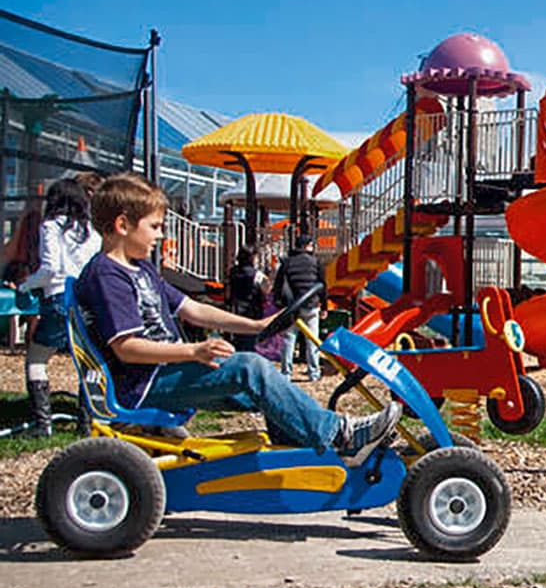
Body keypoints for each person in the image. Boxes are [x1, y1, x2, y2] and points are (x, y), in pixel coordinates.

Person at [74, 174, 399, 462]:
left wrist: (256, 326)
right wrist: (193, 352)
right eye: (155, 227)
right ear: (122, 225)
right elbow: (127, 347)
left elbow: (193, 309)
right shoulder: (107, 275)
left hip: (163, 374)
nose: (160, 236)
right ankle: (340, 436)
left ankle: (301, 446)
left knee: (267, 383)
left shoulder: (139, 267)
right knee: (251, 368)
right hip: (144, 385)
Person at [18, 179, 101, 436]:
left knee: (37, 358)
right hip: (88, 301)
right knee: (88, 362)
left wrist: (26, 285)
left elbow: (51, 269)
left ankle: (43, 425)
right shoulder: (92, 230)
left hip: (58, 299)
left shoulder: (51, 226)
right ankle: (86, 423)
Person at [273, 233, 327, 381]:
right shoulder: (316, 262)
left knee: (289, 339)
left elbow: (278, 286)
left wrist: (278, 302)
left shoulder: (287, 262)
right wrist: (324, 307)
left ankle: (286, 373)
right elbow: (322, 286)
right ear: (307, 246)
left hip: (291, 307)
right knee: (312, 340)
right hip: (311, 306)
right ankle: (314, 372)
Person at [225, 246, 271, 352]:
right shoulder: (257, 275)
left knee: (237, 338)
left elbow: (228, 291)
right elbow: (267, 290)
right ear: (252, 258)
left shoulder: (232, 272)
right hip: (252, 309)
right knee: (250, 338)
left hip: (235, 308)